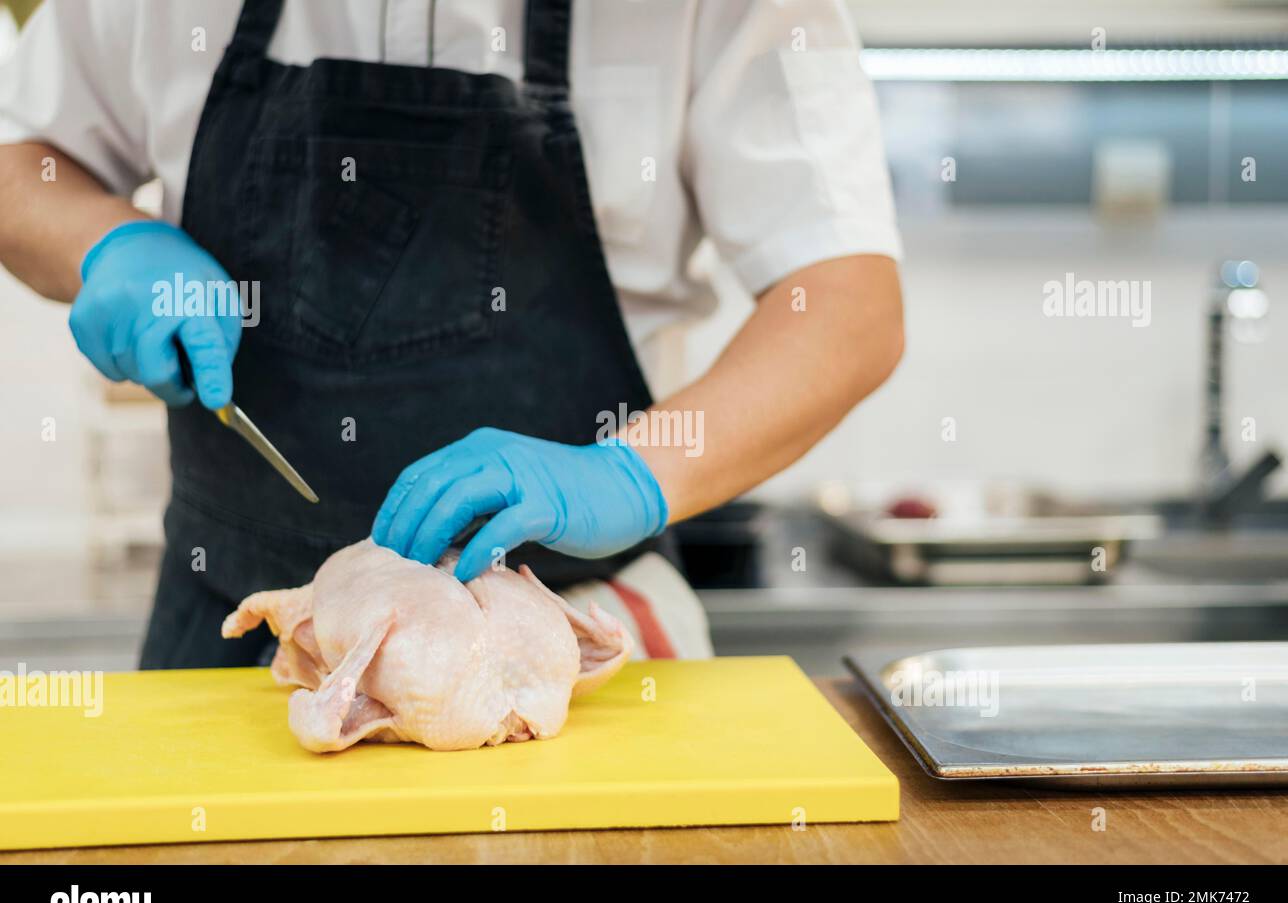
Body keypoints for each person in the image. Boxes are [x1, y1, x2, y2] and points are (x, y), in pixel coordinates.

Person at [0, 0, 903, 667]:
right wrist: (105, 244)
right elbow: (22, 155)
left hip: (574, 650)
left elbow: (845, 298)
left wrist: (631, 472)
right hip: (238, 634)